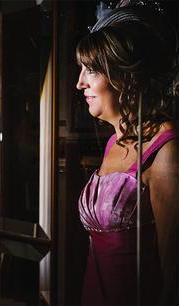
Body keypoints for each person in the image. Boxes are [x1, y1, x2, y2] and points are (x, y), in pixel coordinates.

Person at [75, 4, 178, 306]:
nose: (80, 83)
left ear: (123, 75)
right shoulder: (112, 143)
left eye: (90, 70)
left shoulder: (165, 148)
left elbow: (174, 276)